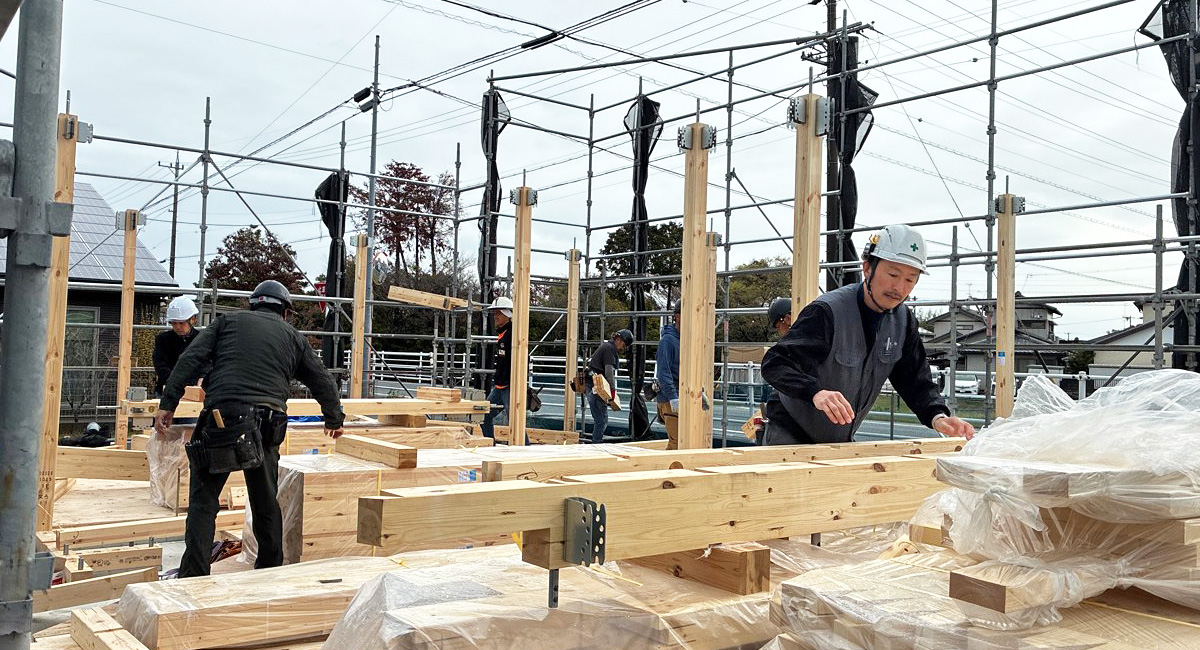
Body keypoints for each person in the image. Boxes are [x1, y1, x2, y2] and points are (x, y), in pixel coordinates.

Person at [153, 280, 344, 578]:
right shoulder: (292, 336)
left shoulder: (226, 322)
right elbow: (322, 379)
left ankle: (193, 577)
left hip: (220, 419)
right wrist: (333, 419)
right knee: (265, 501)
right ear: (285, 312)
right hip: (265, 424)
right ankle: (268, 574)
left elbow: (190, 359)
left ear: (253, 304)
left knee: (203, 503)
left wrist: (168, 403)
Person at [761, 225, 975, 445]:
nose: (899, 287)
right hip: (789, 434)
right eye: (893, 274)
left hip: (839, 441)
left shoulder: (903, 321)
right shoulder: (827, 312)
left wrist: (937, 416)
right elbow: (777, 363)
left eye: (910, 279)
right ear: (867, 268)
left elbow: (914, 379)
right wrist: (815, 392)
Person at [587, 328, 632, 443]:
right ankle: (596, 445)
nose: (623, 347)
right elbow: (609, 372)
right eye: (624, 344)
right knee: (601, 420)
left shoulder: (607, 346)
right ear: (619, 339)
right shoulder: (609, 349)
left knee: (600, 419)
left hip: (594, 385)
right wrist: (612, 391)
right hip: (597, 387)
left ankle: (596, 443)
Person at [153, 296, 203, 397]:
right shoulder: (163, 339)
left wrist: (202, 377)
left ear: (192, 320)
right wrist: (174, 381)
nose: (177, 327)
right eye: (174, 323)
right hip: (167, 390)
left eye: (181, 323)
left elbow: (208, 363)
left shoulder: (202, 339)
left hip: (194, 391)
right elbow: (160, 364)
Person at [479, 296, 513, 440]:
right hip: (500, 386)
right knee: (484, 415)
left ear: (507, 314)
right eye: (494, 313)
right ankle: (490, 445)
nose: (495, 317)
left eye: (498, 313)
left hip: (510, 386)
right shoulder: (503, 333)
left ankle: (525, 450)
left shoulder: (513, 333)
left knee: (515, 422)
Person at [655, 305, 681, 449]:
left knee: (685, 441)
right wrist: (672, 397)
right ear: (677, 316)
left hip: (682, 396)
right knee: (676, 443)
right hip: (669, 398)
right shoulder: (668, 341)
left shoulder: (686, 341)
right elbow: (663, 373)